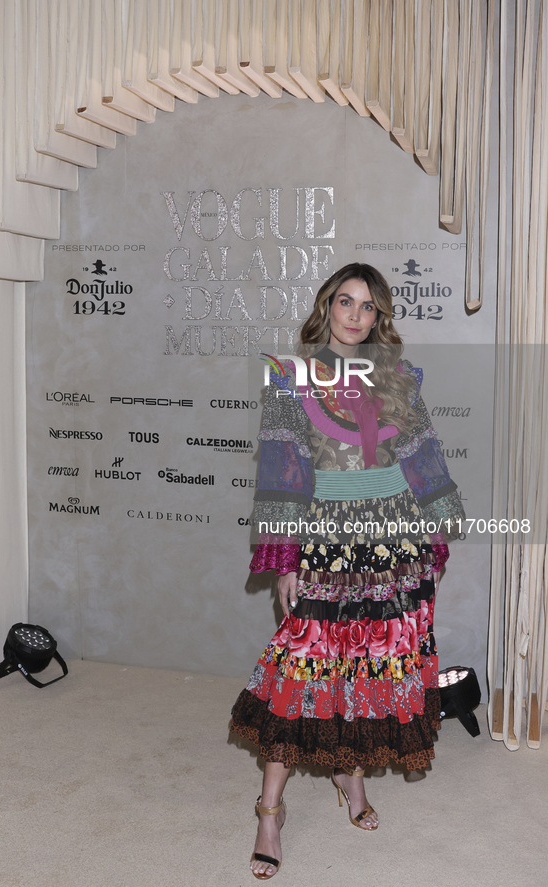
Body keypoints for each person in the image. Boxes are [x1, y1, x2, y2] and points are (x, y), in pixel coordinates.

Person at [230, 263, 465, 880]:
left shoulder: (399, 379)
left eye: (368, 306)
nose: (356, 315)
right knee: (304, 662)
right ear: (326, 306)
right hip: (328, 539)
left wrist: (432, 542)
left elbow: (422, 459)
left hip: (394, 537)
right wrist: (286, 557)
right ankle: (269, 812)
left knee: (371, 665)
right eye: (346, 301)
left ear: (379, 316)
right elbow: (283, 471)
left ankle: (350, 780)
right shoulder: (290, 378)